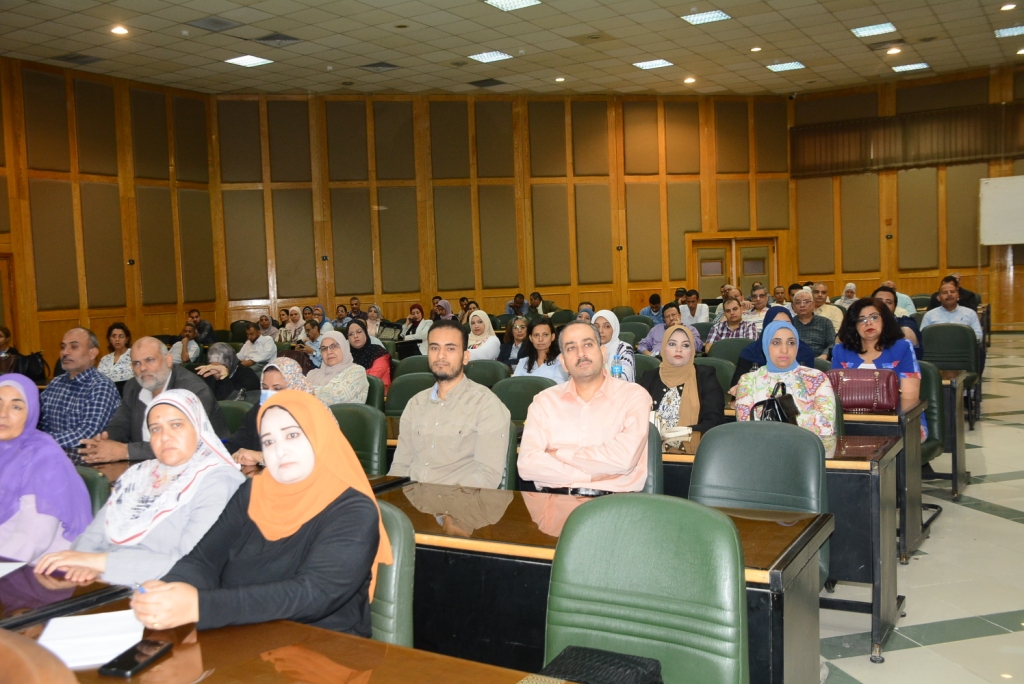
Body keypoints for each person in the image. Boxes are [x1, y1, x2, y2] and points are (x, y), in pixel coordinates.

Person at [130, 390, 393, 636]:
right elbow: (203, 561)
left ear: (319, 435)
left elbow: (313, 594)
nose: (279, 450)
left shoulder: (353, 509)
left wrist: (200, 607)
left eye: (292, 435)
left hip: (321, 649)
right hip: (242, 635)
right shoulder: (251, 492)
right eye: (268, 441)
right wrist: (169, 588)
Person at [35, 390, 245, 586]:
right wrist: (80, 562)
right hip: (105, 583)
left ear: (198, 427)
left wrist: (99, 563)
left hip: (170, 597)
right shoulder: (140, 473)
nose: (165, 436)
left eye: (176, 425)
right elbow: (94, 534)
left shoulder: (219, 480)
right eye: (156, 429)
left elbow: (190, 565)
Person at [518, 321, 651, 494]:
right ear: (563, 362)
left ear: (603, 354)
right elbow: (527, 465)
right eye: (571, 348)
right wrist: (586, 476)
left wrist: (558, 454)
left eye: (588, 344)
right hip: (554, 504)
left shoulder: (633, 396)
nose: (581, 353)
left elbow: (624, 459)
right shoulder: (544, 401)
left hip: (615, 506)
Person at [388, 320, 511, 488]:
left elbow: (487, 476)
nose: (440, 356)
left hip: (458, 506)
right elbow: (400, 466)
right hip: (412, 502)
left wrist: (442, 510)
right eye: (434, 348)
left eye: (450, 348)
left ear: (465, 357)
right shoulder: (415, 404)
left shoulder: (487, 405)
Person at [79, 337, 228, 463]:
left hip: (201, 465)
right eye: (136, 363)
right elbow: (120, 426)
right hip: (149, 467)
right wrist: (104, 441)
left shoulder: (193, 390)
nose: (142, 368)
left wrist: (125, 451)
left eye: (149, 360)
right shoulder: (133, 386)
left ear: (168, 360)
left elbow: (180, 443)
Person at [0, 374, 92, 563]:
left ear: (31, 413)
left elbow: (32, 539)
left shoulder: (45, 459)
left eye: (16, 406)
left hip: (41, 570)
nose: (3, 413)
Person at [833, 298, 928, 439]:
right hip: (850, 420)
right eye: (861, 319)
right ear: (853, 325)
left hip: (899, 417)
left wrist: (901, 425)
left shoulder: (902, 347)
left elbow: (910, 397)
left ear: (884, 320)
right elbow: (835, 396)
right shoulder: (841, 350)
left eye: (874, 317)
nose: (869, 323)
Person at [735, 320, 836, 436]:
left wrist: (769, 418)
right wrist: (805, 419)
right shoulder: (748, 380)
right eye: (776, 343)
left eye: (791, 343)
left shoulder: (817, 378)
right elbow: (745, 429)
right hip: (762, 450)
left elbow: (826, 426)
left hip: (807, 450)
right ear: (765, 344)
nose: (784, 350)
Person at [39, 328, 121, 463]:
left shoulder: (101, 386)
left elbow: (87, 434)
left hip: (88, 466)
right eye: (63, 347)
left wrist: (42, 441)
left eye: (74, 347)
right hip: (53, 459)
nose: (65, 352)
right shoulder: (55, 384)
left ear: (92, 353)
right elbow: (41, 423)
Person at [639, 325, 725, 441]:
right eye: (672, 344)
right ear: (663, 347)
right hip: (652, 449)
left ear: (692, 351)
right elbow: (637, 419)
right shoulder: (648, 377)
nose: (678, 349)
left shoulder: (705, 376)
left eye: (685, 345)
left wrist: (682, 434)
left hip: (693, 452)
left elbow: (714, 421)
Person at [225, 358, 313, 466]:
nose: (269, 394)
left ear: (294, 387)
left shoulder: (310, 413)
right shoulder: (260, 409)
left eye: (277, 389)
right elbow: (237, 441)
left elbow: (305, 459)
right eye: (265, 388)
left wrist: (259, 456)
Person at [731, 306, 816, 390]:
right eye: (775, 323)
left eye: (787, 323)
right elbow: (737, 386)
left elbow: (810, 388)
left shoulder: (804, 351)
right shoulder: (750, 352)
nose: (781, 326)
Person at [308, 332, 369, 405]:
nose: (329, 352)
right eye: (324, 348)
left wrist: (304, 390)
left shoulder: (357, 372)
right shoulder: (313, 374)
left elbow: (337, 396)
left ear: (344, 347)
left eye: (334, 346)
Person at [921, 277, 983, 342]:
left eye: (952, 292)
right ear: (939, 298)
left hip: (963, 349)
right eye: (945, 293)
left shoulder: (970, 313)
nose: (949, 294)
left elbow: (978, 336)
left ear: (958, 295)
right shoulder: (929, 315)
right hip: (938, 349)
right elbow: (923, 337)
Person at [195, 342, 260, 402]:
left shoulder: (248, 376)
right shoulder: (208, 373)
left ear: (231, 362)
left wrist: (223, 377)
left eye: (220, 366)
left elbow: (234, 403)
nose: (215, 369)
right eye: (212, 365)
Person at [872, 285, 923, 358]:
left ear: (895, 307)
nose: (883, 305)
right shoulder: (863, 323)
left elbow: (908, 336)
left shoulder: (905, 321)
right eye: (879, 301)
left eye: (889, 302)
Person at [514, 318, 569, 383]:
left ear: (552, 337)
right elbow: (514, 386)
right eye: (536, 335)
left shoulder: (561, 361)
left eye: (545, 335)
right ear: (531, 338)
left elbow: (557, 387)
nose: (540, 339)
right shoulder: (523, 362)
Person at [637, 303, 704, 356]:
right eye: (667, 316)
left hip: (681, 362)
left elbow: (698, 346)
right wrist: (649, 355)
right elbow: (642, 345)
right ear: (664, 319)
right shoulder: (656, 329)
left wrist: (679, 329)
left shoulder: (691, 329)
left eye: (673, 315)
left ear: (680, 316)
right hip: (658, 361)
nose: (671, 318)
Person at [348, 319, 391, 392]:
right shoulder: (347, 355)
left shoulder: (379, 352)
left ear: (365, 332)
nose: (355, 336)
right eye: (351, 334)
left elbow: (371, 378)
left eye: (359, 332)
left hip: (378, 397)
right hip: (352, 393)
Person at [592, 310, 635, 382]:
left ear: (614, 329)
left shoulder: (625, 349)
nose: (600, 330)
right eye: (597, 326)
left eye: (607, 326)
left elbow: (623, 380)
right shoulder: (590, 349)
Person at [791, 289, 836, 358]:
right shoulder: (790, 323)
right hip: (794, 360)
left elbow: (833, 343)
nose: (802, 305)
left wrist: (825, 355)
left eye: (806, 302)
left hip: (819, 360)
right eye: (798, 302)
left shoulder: (825, 322)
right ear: (793, 307)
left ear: (813, 305)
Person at [97, 323, 134, 393]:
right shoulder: (105, 359)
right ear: (110, 339)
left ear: (127, 339)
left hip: (128, 393)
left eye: (121, 336)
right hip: (107, 393)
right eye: (114, 336)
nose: (117, 339)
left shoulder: (134, 355)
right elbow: (98, 380)